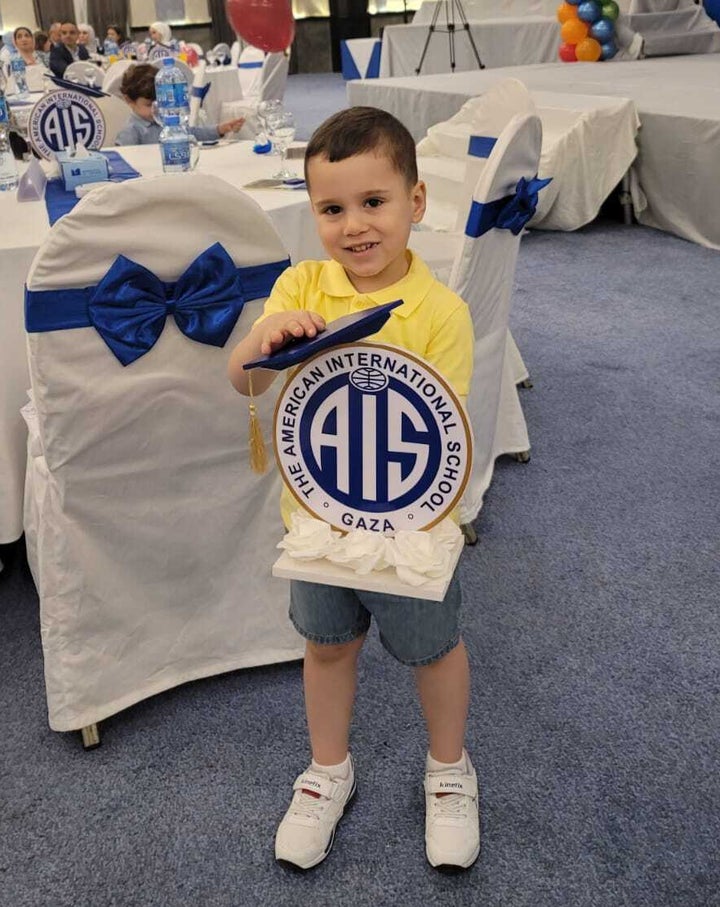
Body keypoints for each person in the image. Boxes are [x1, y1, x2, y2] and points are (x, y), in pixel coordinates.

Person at [227, 107, 480, 872]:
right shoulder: (300, 283)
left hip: (410, 525)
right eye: (332, 209)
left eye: (374, 202)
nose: (354, 225)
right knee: (327, 646)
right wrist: (263, 344)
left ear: (417, 201)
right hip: (319, 519)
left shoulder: (441, 311)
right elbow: (243, 379)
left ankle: (449, 769)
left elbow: (445, 439)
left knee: (433, 650)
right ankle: (328, 769)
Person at [115, 64, 245, 146]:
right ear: (129, 101)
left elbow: (191, 133)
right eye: (149, 105)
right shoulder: (131, 131)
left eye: (162, 103)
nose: (157, 109)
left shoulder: (166, 119)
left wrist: (220, 129)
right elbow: (125, 162)